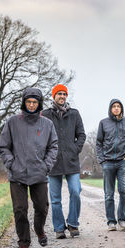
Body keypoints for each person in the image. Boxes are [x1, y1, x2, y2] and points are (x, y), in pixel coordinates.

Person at [0, 88, 58, 248]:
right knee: (20, 209)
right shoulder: (12, 122)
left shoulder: (47, 124)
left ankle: (39, 230)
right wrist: (11, 164)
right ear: (24, 103)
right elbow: (3, 147)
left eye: (35, 102)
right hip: (18, 174)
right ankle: (24, 244)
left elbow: (53, 146)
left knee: (42, 207)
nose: (31, 105)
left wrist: (46, 166)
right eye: (28, 102)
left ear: (39, 104)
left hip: (39, 173)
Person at [42, 84, 86, 239]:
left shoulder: (74, 114)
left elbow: (81, 135)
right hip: (53, 163)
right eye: (59, 94)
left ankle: (73, 224)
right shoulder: (45, 115)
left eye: (64, 94)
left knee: (75, 191)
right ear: (53, 96)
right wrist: (45, 155)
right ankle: (59, 228)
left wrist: (75, 149)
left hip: (71, 161)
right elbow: (40, 137)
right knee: (55, 199)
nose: (62, 96)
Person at [96, 99, 125, 231]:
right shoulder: (103, 123)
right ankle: (111, 222)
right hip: (108, 162)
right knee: (109, 194)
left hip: (122, 162)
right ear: (110, 109)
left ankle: (122, 219)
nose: (116, 108)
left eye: (119, 106)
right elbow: (98, 143)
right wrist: (102, 159)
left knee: (124, 191)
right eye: (114, 106)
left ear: (121, 109)